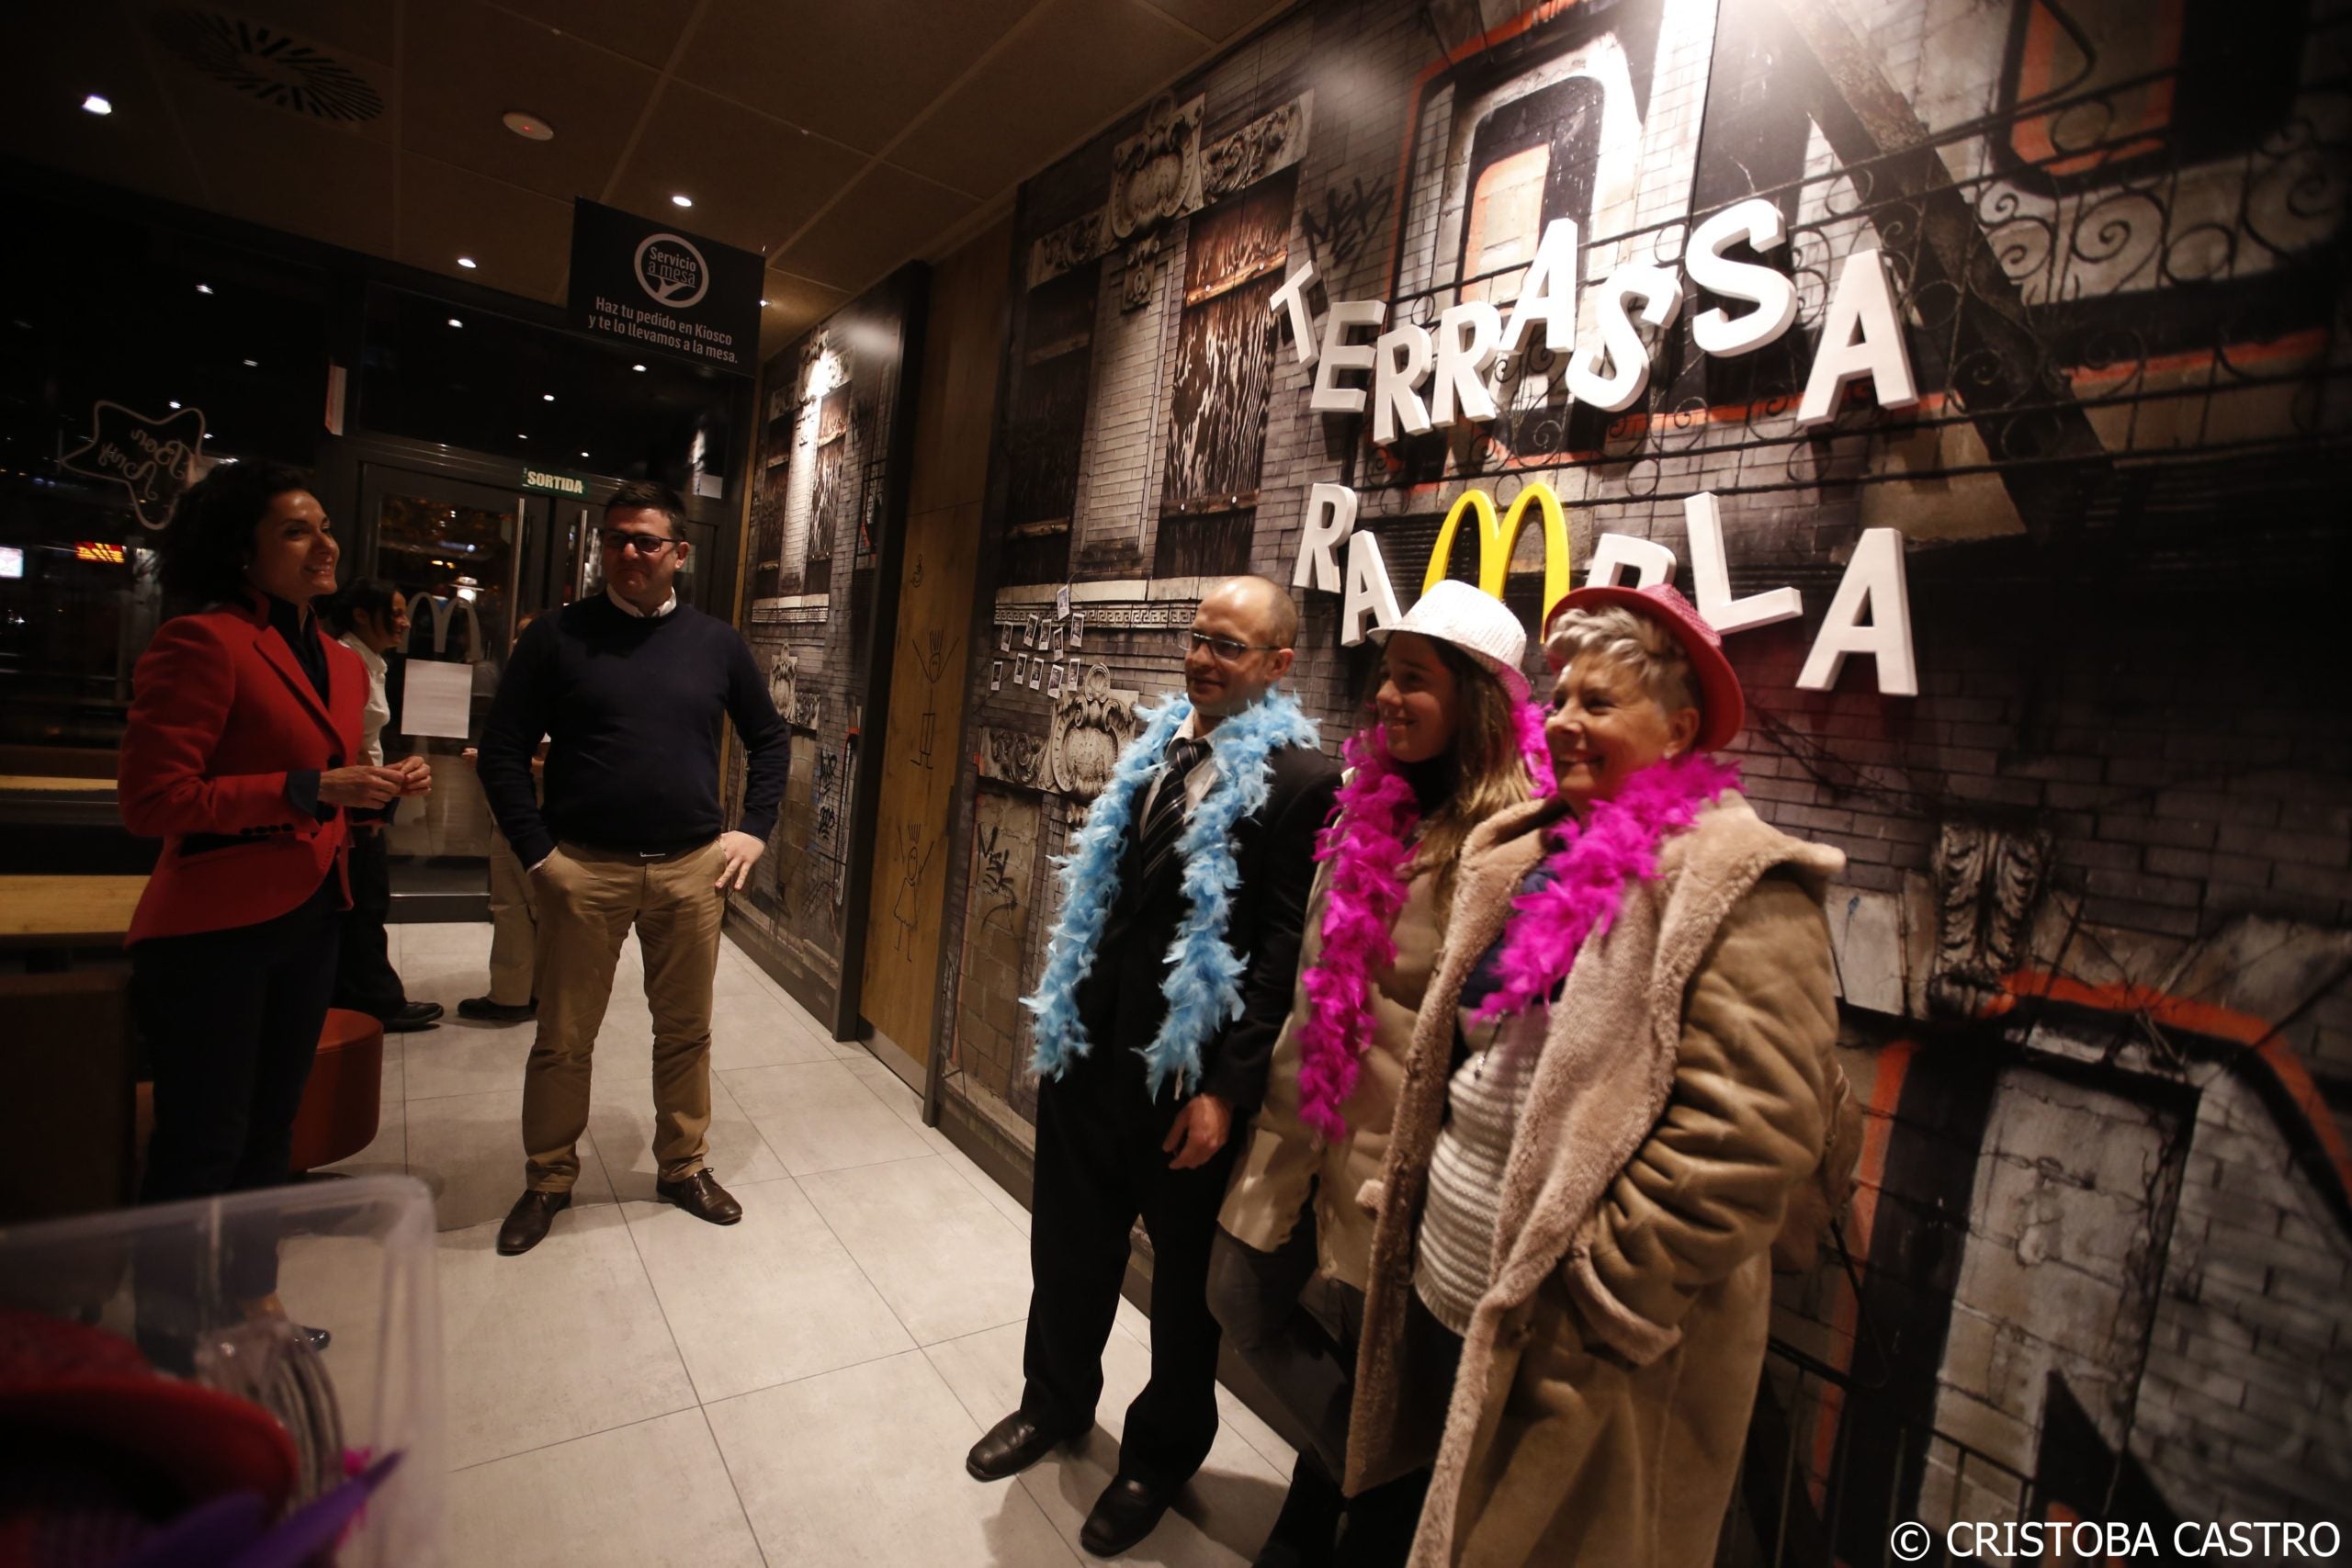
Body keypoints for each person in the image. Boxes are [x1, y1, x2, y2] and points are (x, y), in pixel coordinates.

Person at [1344, 581, 1854, 1567]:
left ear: (1679, 729)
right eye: (1562, 697)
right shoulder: (1523, 848)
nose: (1567, 723)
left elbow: (1752, 1137)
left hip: (1564, 1340)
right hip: (1446, 1282)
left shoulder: (1737, 884)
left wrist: (1596, 1295)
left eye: (1600, 703)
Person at [967, 576, 1340, 1559]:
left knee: (1182, 1297)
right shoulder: (1155, 745)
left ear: (1277, 663)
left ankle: (1158, 1459)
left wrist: (1226, 1089)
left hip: (1188, 1086)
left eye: (1229, 646)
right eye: (1197, 638)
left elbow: (1279, 954)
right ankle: (1053, 1402)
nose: (1202, 659)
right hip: (1090, 1059)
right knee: (1068, 1251)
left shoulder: (1301, 781)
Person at [1206, 581, 1544, 1568]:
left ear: (1478, 696)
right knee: (1240, 1295)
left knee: (1374, 1363)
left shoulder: (1508, 841)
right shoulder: (1365, 803)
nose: (1386, 698)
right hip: (1301, 1128)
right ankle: (1376, 1488)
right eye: (1383, 678)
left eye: (1413, 680)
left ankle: (1338, 1516)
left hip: (1400, 1166)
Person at [118, 462, 428, 1359]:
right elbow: (153, 801)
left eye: (324, 526)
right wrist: (305, 786)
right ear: (240, 551)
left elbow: (323, 793)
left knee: (269, 1131)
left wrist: (371, 792)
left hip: (309, 917)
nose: (325, 543)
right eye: (296, 530)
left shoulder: (334, 660)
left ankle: (253, 1302)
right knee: (200, 1142)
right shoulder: (201, 642)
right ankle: (169, 1342)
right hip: (211, 930)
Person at [477, 482, 790, 1256]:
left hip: (691, 870)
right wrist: (537, 853)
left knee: (686, 1033)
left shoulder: (716, 643)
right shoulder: (556, 638)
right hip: (583, 867)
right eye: (615, 539)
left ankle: (682, 1166)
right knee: (563, 1035)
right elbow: (503, 751)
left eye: (646, 541)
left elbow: (770, 738)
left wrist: (752, 830)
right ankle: (548, 1176)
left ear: (678, 552)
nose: (627, 553)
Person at [322, 579, 442, 1033]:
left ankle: (365, 996)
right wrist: (367, 805)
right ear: (358, 614)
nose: (404, 621)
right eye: (393, 613)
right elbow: (343, 743)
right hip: (351, 802)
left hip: (364, 795)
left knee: (365, 902)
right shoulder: (344, 659)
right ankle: (374, 1000)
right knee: (363, 902)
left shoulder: (370, 661)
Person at [459, 609, 544, 1024]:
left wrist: (503, 761)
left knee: (530, 907)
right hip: (510, 808)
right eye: (518, 636)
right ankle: (513, 993)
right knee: (510, 905)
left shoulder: (553, 691)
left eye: (528, 636)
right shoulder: (522, 686)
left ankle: (533, 994)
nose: (517, 644)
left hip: (533, 812)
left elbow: (562, 764)